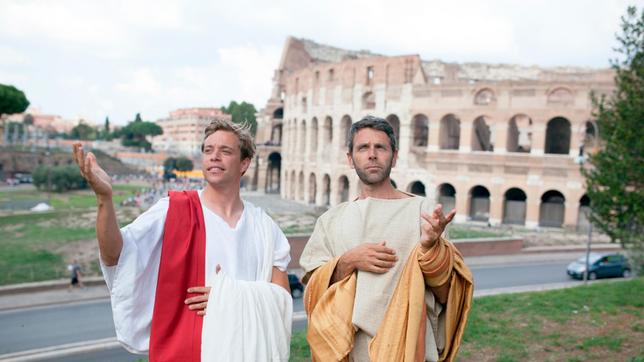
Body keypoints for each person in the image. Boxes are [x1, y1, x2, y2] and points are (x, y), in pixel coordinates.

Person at [73, 120, 293, 361]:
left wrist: (228, 298)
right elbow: (116, 255)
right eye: (208, 150)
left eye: (225, 151)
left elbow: (282, 299)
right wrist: (105, 199)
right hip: (186, 353)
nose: (214, 157)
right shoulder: (173, 210)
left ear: (244, 163)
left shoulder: (265, 227)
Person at [300, 116, 473, 362]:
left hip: (410, 348)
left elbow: (446, 294)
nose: (372, 155)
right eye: (363, 148)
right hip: (351, 351)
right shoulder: (331, 221)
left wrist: (430, 250)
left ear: (394, 156)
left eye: (380, 147)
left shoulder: (423, 211)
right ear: (350, 159)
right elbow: (314, 289)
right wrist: (348, 261)